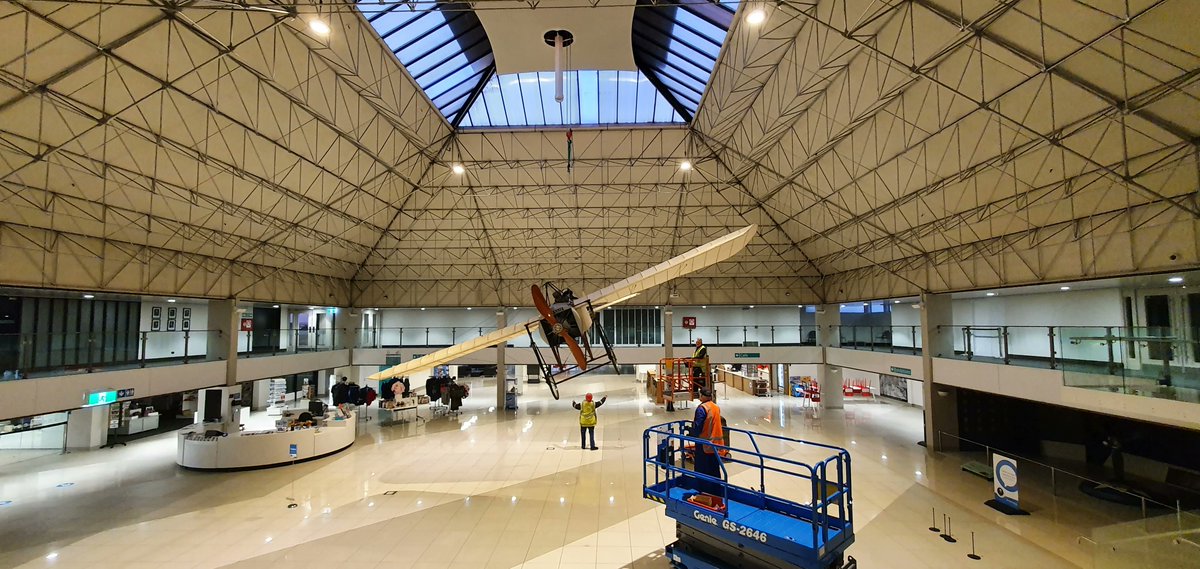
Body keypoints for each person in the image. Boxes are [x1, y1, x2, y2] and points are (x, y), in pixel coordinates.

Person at [689, 388, 724, 499]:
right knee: (714, 469)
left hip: (704, 444)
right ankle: (717, 493)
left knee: (701, 469)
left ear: (703, 396)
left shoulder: (702, 408)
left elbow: (698, 426)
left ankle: (703, 493)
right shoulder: (715, 407)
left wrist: (691, 432)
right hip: (716, 444)